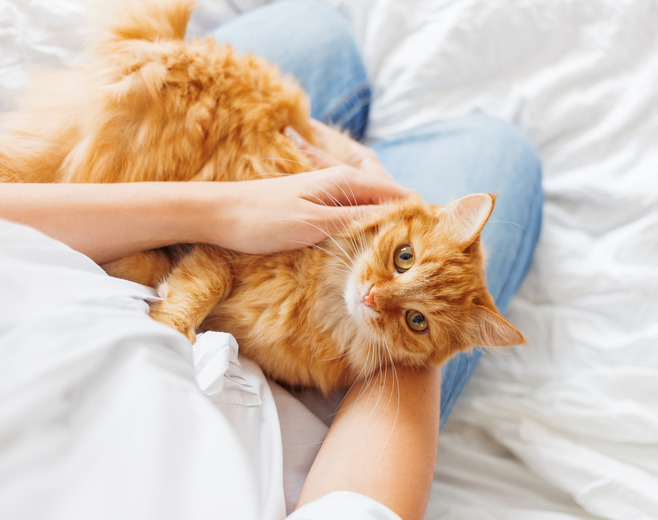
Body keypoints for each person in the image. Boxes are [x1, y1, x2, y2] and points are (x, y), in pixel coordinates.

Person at [0, 1, 542, 519]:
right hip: (186, 258)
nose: (380, 297)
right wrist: (426, 341)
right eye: (404, 260)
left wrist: (229, 211)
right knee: (499, 148)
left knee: (318, 32)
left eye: (415, 318)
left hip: (79, 235)